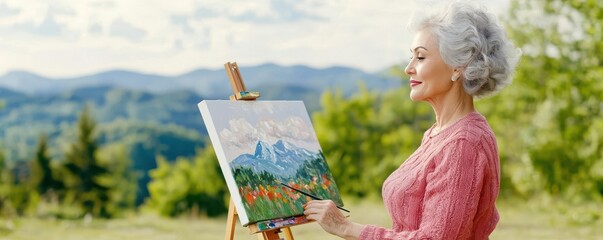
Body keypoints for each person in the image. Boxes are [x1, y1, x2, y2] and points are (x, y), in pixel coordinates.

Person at [303, 1, 520, 239]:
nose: (408, 68)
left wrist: (346, 228)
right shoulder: (439, 133)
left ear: (458, 67)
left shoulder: (463, 143)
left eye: (420, 57)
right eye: (411, 57)